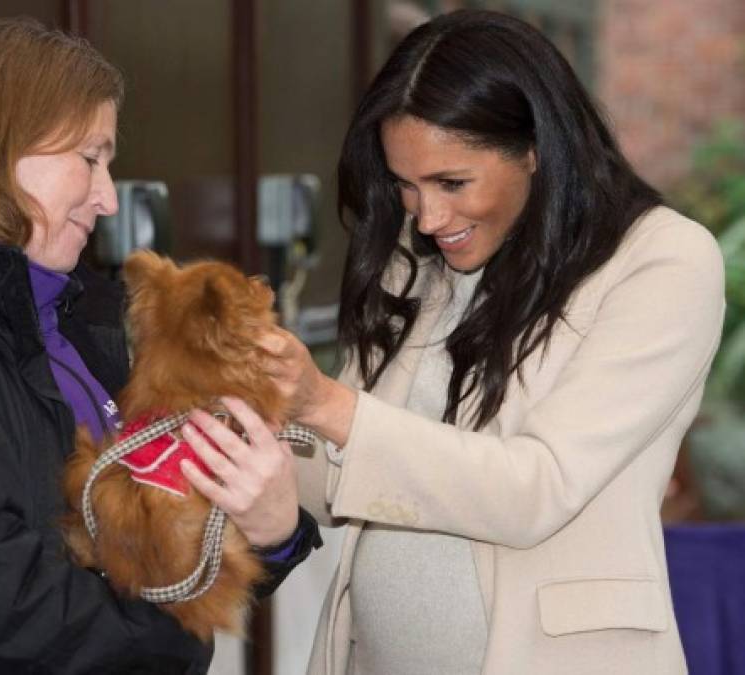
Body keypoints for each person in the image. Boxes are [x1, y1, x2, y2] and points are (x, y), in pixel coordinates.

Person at [0, 18, 317, 675]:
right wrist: (183, 632)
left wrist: (272, 532)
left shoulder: (79, 315)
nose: (105, 198)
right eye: (90, 158)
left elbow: (160, 545)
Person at [256, 9, 725, 675]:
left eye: (453, 182)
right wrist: (256, 431)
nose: (428, 217)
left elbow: (536, 486)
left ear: (535, 148)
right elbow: (338, 476)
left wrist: (328, 406)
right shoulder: (414, 260)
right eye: (406, 185)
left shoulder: (663, 260)